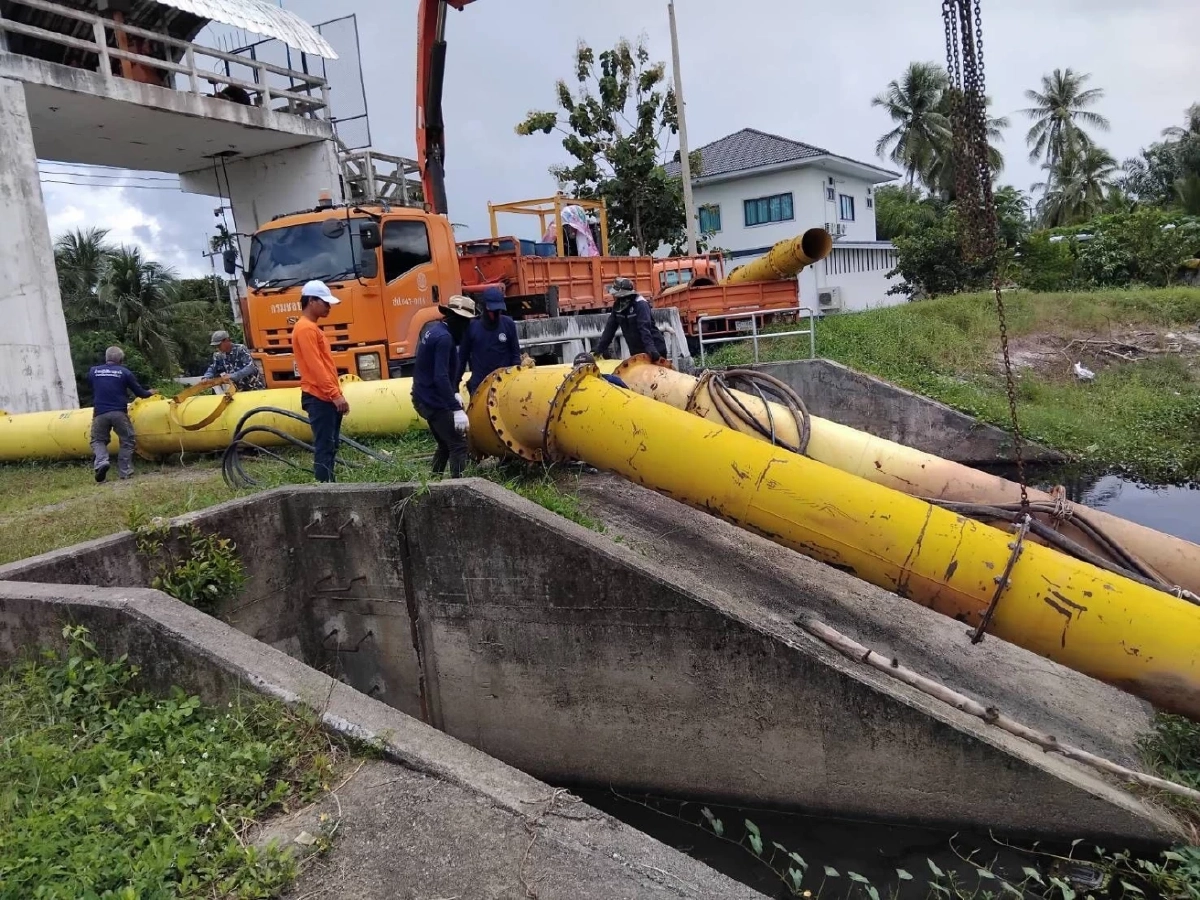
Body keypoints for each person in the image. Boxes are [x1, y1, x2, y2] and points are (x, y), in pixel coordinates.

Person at [292, 280, 349, 482]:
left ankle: (329, 487)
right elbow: (316, 366)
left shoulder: (310, 328)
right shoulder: (306, 329)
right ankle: (326, 491)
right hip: (320, 397)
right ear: (311, 301)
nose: (328, 307)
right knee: (325, 447)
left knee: (329, 446)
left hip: (324, 396)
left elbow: (323, 365)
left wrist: (336, 393)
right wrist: (335, 395)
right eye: (325, 302)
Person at [413, 294, 474, 478]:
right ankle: (457, 489)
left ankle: (434, 483)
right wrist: (455, 409)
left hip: (423, 397)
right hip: (432, 401)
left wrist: (453, 392)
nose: (467, 329)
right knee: (458, 444)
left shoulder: (435, 330)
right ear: (457, 320)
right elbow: (440, 377)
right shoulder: (444, 339)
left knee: (445, 444)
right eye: (466, 323)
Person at [88, 346, 154, 483]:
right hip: (119, 413)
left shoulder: (94, 371)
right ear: (121, 360)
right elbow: (140, 393)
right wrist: (150, 392)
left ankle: (101, 463)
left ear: (106, 358)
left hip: (100, 413)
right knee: (127, 440)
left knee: (98, 440)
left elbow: (94, 386)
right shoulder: (124, 372)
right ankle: (125, 472)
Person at [455, 286, 521, 396]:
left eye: (498, 310)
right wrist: (455, 386)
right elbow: (462, 359)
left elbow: (515, 355)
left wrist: (516, 380)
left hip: (505, 384)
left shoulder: (508, 324)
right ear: (484, 308)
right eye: (493, 311)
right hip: (480, 386)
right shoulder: (472, 328)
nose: (496, 314)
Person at [593, 277, 668, 363]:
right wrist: (599, 349)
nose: (613, 297)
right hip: (637, 352)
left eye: (615, 294)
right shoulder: (617, 307)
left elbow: (644, 328)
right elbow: (609, 329)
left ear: (622, 295)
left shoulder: (640, 304)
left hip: (655, 349)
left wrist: (651, 349)